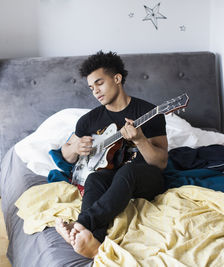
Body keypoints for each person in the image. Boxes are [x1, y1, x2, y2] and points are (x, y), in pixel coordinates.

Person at [55, 51, 168, 258]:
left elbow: (160, 163)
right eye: (91, 88)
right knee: (95, 178)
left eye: (99, 83)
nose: (95, 92)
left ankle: (81, 224)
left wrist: (140, 140)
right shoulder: (88, 121)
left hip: (144, 179)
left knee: (128, 172)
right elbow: (66, 153)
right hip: (110, 178)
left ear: (117, 79)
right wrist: (74, 148)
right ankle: (93, 239)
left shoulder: (149, 113)